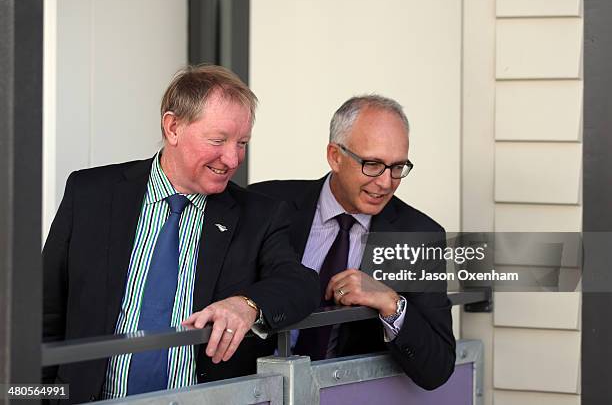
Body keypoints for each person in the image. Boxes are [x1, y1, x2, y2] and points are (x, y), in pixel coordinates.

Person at [42, 64, 320, 402]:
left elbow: (300, 284)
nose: (232, 159)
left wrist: (248, 304)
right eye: (218, 140)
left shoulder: (260, 215)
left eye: (242, 143)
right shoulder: (91, 194)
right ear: (173, 127)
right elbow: (45, 314)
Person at [249, 95, 455, 390]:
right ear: (335, 156)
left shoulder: (419, 235)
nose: (386, 183)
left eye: (397, 167)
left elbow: (437, 367)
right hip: (252, 390)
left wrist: (391, 303)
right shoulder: (266, 203)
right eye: (372, 164)